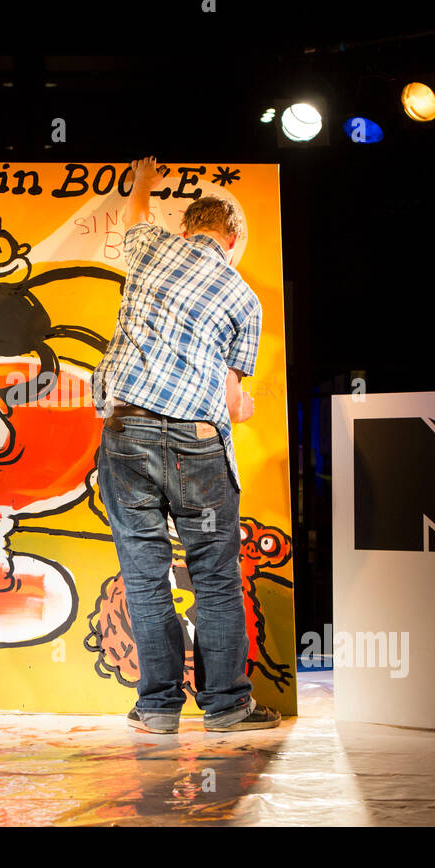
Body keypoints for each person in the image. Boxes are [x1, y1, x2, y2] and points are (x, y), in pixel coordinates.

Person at [92, 155, 279, 734]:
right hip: (196, 444)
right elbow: (232, 399)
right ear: (229, 239)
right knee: (215, 575)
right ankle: (225, 708)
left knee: (145, 574)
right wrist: (242, 408)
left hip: (128, 432)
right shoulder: (245, 299)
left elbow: (135, 213)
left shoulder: (151, 249)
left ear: (186, 230)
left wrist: (143, 180)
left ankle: (157, 710)